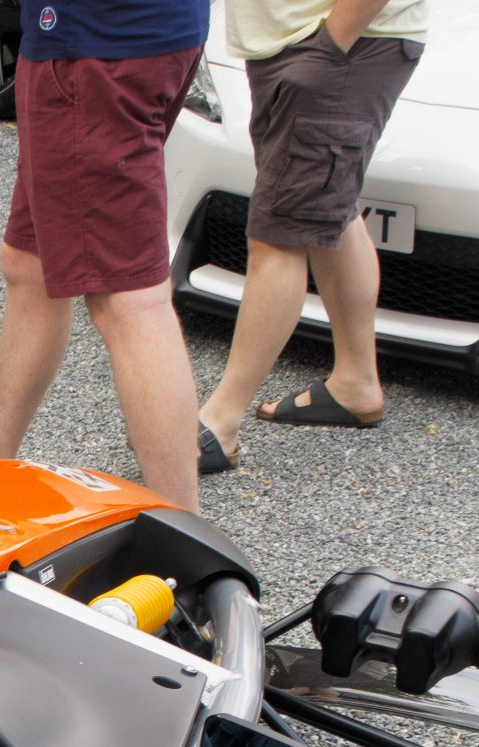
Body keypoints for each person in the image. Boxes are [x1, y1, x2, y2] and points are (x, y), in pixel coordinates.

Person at [0, 0, 210, 511]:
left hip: (93, 47)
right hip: (144, 34)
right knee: (28, 261)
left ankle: (190, 544)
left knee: (130, 302)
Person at [195, 0, 425, 474]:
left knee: (279, 234)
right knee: (329, 210)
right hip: (309, 42)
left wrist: (331, 44)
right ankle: (356, 381)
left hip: (340, 41)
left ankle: (221, 420)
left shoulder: (331, 46)